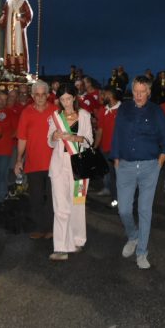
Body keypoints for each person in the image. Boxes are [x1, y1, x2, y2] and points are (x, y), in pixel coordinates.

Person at [110, 76, 165, 270]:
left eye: (142, 91)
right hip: (126, 166)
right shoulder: (124, 108)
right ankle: (133, 236)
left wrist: (159, 164)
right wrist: (116, 160)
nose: (138, 95)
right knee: (124, 210)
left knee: (145, 211)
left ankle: (142, 252)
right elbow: (117, 135)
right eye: (135, 91)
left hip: (149, 167)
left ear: (148, 92)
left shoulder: (156, 111)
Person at [46, 84, 94, 261]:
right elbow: (49, 141)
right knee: (60, 206)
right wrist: (55, 137)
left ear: (74, 97)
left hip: (79, 166)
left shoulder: (85, 115)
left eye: (68, 98)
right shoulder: (55, 117)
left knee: (78, 203)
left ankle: (78, 239)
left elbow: (89, 140)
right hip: (59, 166)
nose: (66, 102)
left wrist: (74, 138)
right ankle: (60, 247)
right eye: (62, 99)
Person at [14, 80, 55, 239]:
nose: (39, 98)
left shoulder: (55, 111)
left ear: (47, 95)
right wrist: (19, 159)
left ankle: (51, 227)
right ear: (32, 96)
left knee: (52, 198)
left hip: (54, 163)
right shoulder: (26, 112)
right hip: (33, 163)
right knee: (36, 197)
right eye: (36, 95)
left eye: (42, 94)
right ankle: (39, 227)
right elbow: (22, 138)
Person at [0, 0, 33, 74]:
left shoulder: (23, 1)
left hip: (18, 28)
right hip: (10, 29)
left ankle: (22, 68)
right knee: (10, 47)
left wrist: (22, 19)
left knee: (19, 46)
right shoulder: (8, 0)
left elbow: (29, 14)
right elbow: (4, 12)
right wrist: (1, 19)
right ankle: (12, 67)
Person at [96, 85, 121, 207]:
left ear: (110, 95)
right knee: (112, 175)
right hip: (106, 149)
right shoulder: (102, 110)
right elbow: (99, 131)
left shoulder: (123, 109)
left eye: (103, 95)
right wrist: (95, 147)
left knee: (120, 175)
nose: (101, 97)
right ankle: (116, 199)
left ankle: (124, 199)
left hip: (119, 150)